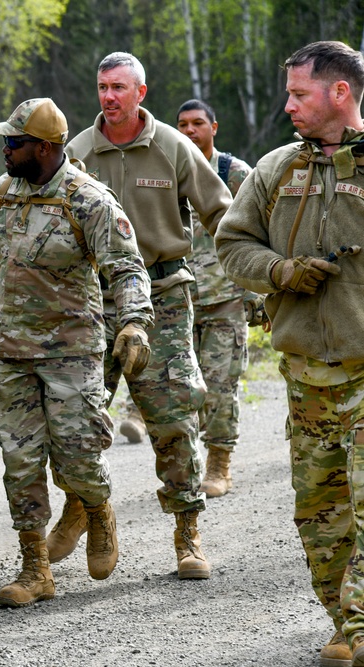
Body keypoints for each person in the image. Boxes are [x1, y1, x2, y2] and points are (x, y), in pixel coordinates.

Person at [216, 40, 364, 667]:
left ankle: (360, 627)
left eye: (300, 94)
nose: (288, 107)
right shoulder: (276, 170)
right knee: (321, 515)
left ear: (340, 93)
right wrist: (278, 271)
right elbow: (232, 243)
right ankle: (343, 622)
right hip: (306, 380)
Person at [62, 52, 232, 580]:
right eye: (101, 86)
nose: (108, 97)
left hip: (162, 298)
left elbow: (221, 212)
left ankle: (188, 533)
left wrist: (250, 280)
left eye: (118, 87)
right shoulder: (79, 151)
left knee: (172, 419)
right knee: (78, 420)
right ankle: (83, 510)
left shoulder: (173, 146)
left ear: (140, 91)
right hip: (98, 302)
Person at [0, 98, 152, 607]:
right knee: (20, 462)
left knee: (79, 456)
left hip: (72, 353)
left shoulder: (89, 201)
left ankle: (96, 509)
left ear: (44, 147)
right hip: (11, 351)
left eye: (13, 143)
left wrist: (136, 324)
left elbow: (126, 267)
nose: (5, 151)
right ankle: (34, 568)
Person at [175, 99, 256, 498]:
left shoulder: (234, 173)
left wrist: (258, 290)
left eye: (197, 124)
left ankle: (219, 462)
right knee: (182, 390)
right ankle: (185, 467)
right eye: (182, 124)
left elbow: (260, 231)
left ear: (214, 127)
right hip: (178, 298)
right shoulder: (170, 167)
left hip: (225, 298)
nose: (189, 131)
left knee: (221, 386)